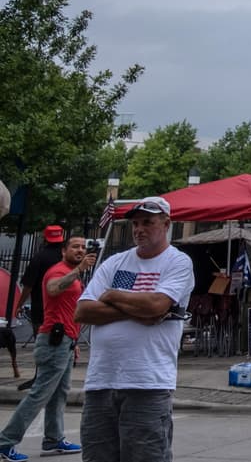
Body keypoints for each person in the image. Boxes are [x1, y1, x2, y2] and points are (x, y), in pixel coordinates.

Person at [74, 197, 195, 462]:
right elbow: (83, 311)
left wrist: (111, 295)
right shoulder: (114, 262)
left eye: (148, 222)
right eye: (136, 224)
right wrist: (141, 311)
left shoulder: (178, 262)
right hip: (101, 381)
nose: (139, 229)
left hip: (147, 383)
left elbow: (157, 304)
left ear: (166, 224)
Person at [0, 235, 96, 461]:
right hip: (54, 340)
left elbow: (69, 309)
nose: (80, 250)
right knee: (40, 393)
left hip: (65, 340)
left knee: (59, 393)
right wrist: (79, 269)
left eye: (83, 247)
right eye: (75, 247)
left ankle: (53, 439)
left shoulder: (72, 274)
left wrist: (73, 342)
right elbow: (52, 289)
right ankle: (5, 442)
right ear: (63, 251)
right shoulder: (58, 271)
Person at [13, 227, 66, 393]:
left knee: (42, 344)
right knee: (62, 344)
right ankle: (56, 378)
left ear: (45, 238)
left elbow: (28, 285)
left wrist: (19, 304)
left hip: (41, 307)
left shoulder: (39, 257)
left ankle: (40, 377)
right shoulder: (66, 257)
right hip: (64, 308)